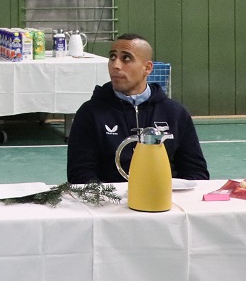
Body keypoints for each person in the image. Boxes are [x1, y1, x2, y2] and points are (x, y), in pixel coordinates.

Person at [67, 33, 209, 184]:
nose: (116, 65)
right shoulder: (90, 113)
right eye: (112, 57)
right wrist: (113, 195)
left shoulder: (175, 113)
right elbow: (80, 174)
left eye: (126, 58)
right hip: (109, 198)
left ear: (147, 68)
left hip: (165, 196)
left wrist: (167, 192)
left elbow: (196, 173)